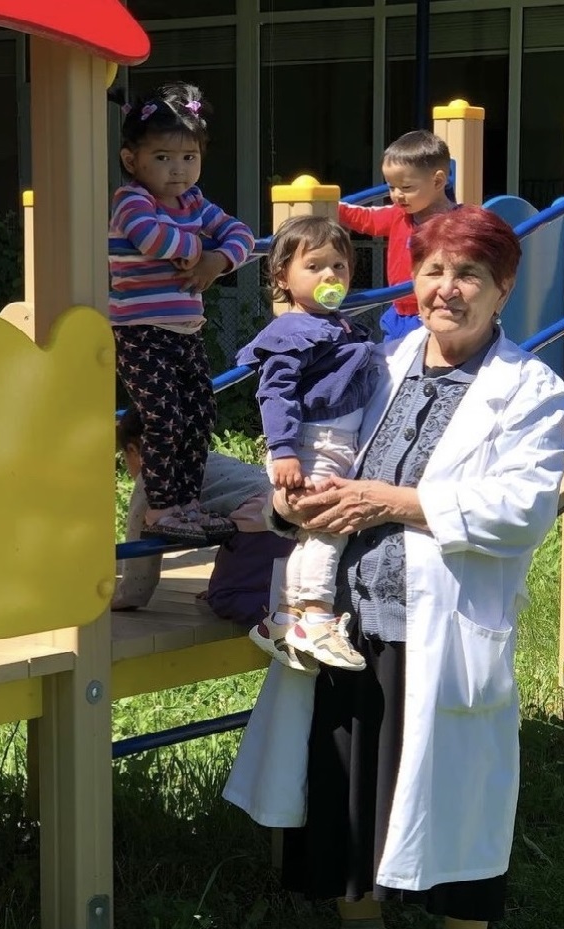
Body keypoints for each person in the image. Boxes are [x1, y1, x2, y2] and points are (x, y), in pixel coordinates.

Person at [223, 206, 564, 929]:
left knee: (457, 788)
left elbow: (522, 510)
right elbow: (318, 447)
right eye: (434, 272)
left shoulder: (530, 391)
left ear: (503, 288)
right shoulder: (373, 360)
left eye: (469, 275)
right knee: (347, 784)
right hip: (344, 616)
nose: (448, 290)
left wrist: (391, 501)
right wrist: (291, 503)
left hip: (440, 624)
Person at [109, 81, 255, 542]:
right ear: (132, 160)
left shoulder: (193, 202)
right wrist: (198, 251)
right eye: (163, 157)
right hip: (140, 330)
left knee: (200, 413)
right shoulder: (131, 200)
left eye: (189, 157)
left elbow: (241, 234)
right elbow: (151, 238)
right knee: (164, 415)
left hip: (185, 330)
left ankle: (188, 503)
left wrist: (219, 260)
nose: (178, 169)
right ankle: (161, 507)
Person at [235, 216, 375, 672]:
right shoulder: (292, 332)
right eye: (314, 266)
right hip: (315, 441)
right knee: (329, 526)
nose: (329, 275)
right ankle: (315, 616)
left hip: (337, 440)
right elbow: (274, 394)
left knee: (309, 531)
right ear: (282, 277)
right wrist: (284, 450)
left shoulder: (335, 325)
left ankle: (282, 619)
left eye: (339, 266)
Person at [112, 409, 295, 625]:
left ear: (133, 450)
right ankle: (294, 607)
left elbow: (138, 535)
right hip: (285, 507)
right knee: (264, 577)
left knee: (226, 597)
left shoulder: (153, 478)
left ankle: (288, 621)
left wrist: (130, 596)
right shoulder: (198, 458)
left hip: (260, 520)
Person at [337, 130, 455, 345]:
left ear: (438, 181)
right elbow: (364, 218)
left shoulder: (459, 222)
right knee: (392, 359)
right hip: (399, 311)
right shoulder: (397, 215)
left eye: (406, 187)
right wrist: (326, 204)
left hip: (438, 310)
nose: (397, 195)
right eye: (391, 187)